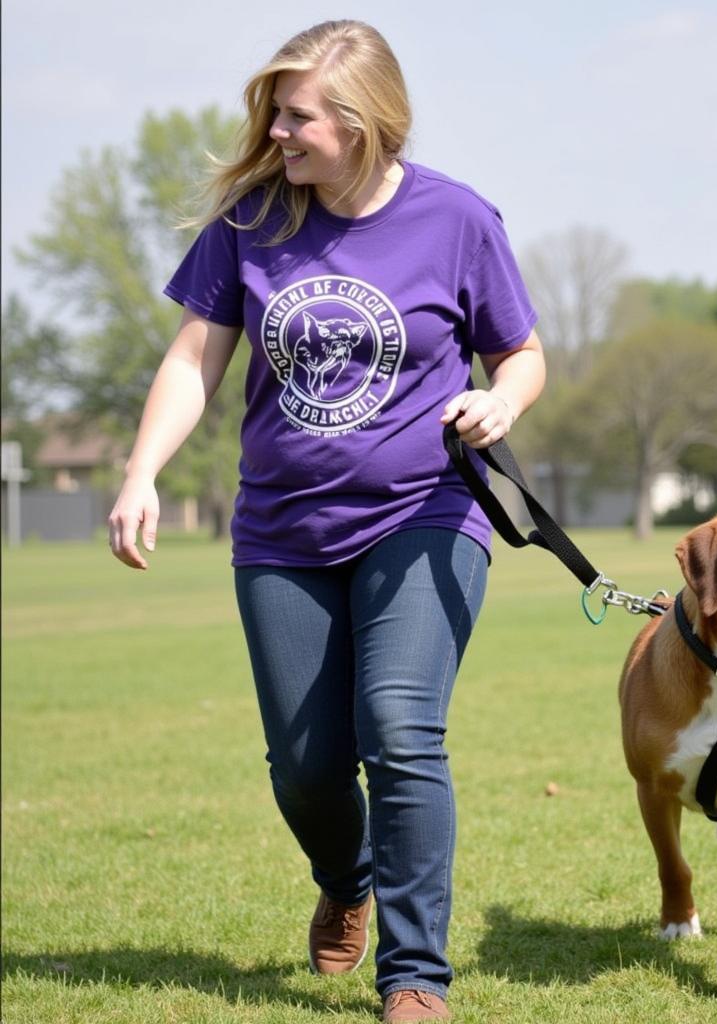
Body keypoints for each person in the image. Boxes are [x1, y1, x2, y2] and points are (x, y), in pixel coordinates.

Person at [107, 20, 544, 1023]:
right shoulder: (251, 221)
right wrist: (140, 472)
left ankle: (416, 977)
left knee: (398, 725)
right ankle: (345, 877)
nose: (278, 132)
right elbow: (193, 358)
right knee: (306, 767)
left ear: (362, 121)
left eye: (297, 115)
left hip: (425, 512)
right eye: (274, 111)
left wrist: (503, 403)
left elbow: (520, 352)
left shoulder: (457, 219)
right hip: (281, 532)